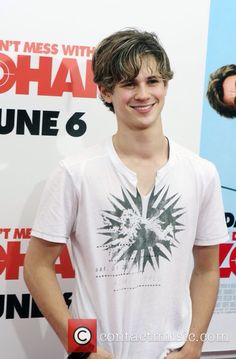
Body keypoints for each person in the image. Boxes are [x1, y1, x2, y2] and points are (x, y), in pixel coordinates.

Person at [24, 28, 228, 359]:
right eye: (129, 84)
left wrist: (193, 346)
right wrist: (84, 347)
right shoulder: (76, 173)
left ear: (165, 86)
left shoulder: (201, 173)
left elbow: (207, 270)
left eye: (152, 81)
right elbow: (36, 268)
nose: (143, 94)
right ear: (106, 92)